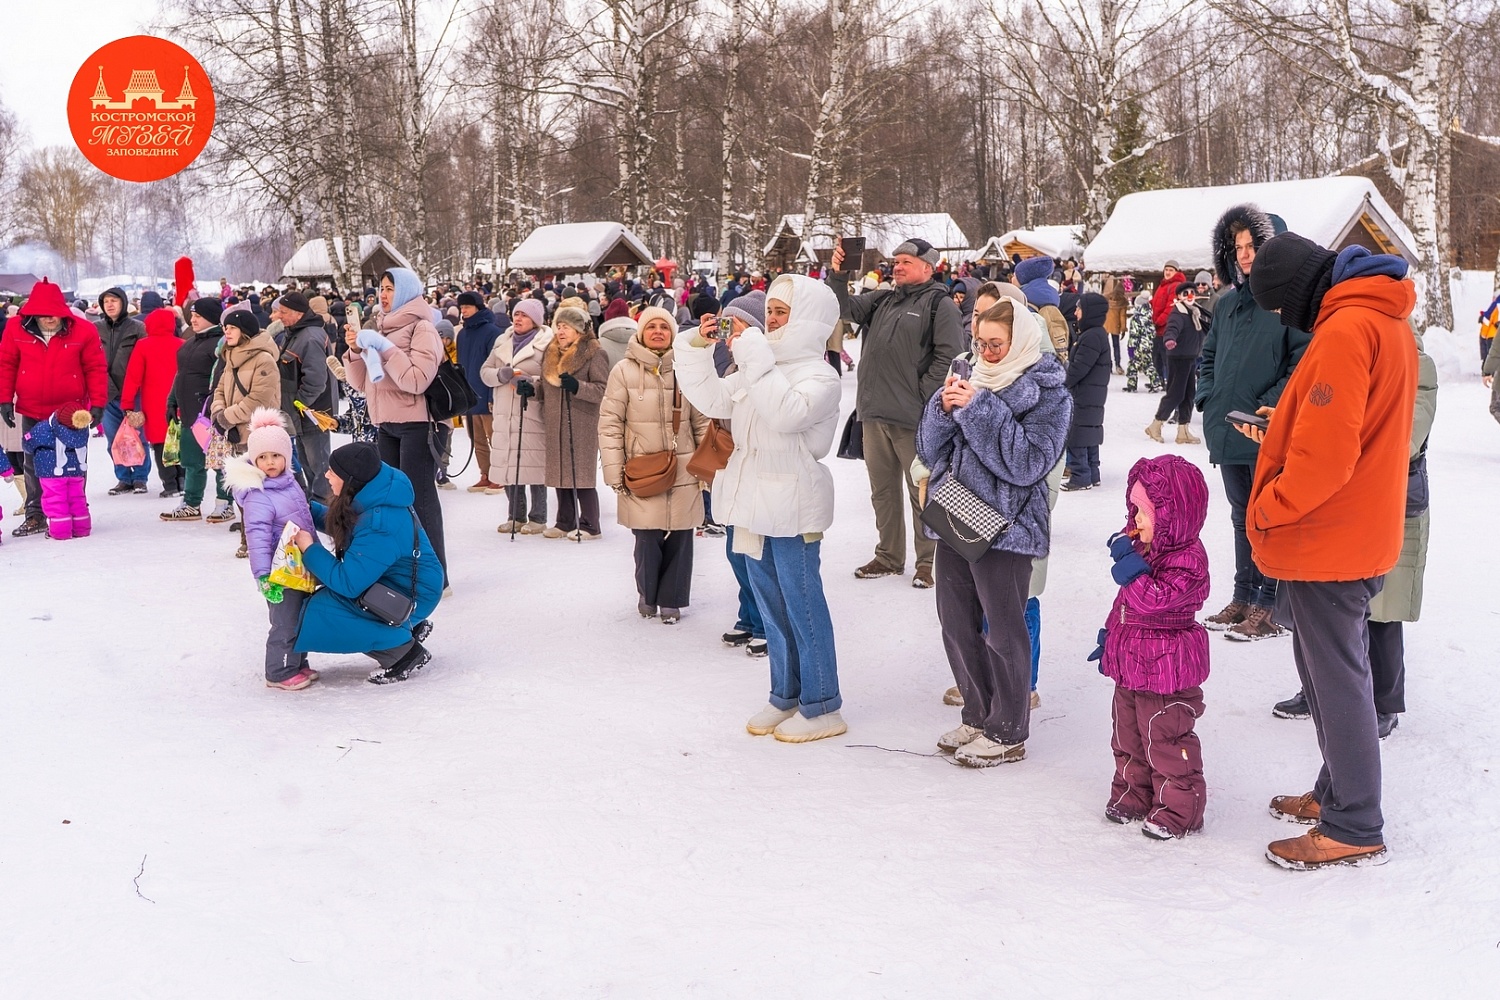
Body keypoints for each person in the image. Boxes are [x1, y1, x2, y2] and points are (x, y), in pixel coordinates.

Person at [1244, 234, 1417, 870]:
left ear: (1298, 293)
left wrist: (1263, 508)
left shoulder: (1347, 329)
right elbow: (1350, 427)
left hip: (1329, 536)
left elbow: (1325, 462)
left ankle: (1355, 821)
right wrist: (1283, 421)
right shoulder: (1381, 317)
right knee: (1326, 673)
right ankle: (1335, 794)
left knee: (1337, 680)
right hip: (1353, 530)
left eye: (1281, 311)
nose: (1286, 323)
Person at [676, 274, 846, 742]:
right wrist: (694, 346)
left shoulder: (819, 375)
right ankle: (784, 694)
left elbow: (787, 413)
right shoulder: (758, 367)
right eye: (768, 310)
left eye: (780, 312)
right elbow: (710, 398)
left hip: (793, 503)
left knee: (803, 602)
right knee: (770, 605)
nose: (770, 320)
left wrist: (752, 353)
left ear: (807, 319)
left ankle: (822, 703)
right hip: (750, 501)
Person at [916, 299, 1071, 767]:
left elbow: (1028, 464)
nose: (985, 352)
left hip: (1009, 527)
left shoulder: (1048, 393)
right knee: (956, 621)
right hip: (957, 514)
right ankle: (978, 713)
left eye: (995, 344)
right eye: (980, 342)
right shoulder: (968, 375)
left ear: (1020, 340)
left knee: (1003, 628)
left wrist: (979, 408)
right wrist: (940, 411)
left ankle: (1009, 729)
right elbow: (928, 450)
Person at [1273, 334, 1437, 737]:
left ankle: (1384, 703)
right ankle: (1322, 693)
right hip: (1339, 499)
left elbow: (1405, 437)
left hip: (1393, 502)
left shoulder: (1416, 363)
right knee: (1328, 609)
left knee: (1382, 612)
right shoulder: (1343, 358)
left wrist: (1336, 441)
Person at [1195, 204, 1309, 641]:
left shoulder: (1288, 306)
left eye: (1254, 246)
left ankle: (1269, 604)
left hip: (1266, 432)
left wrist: (1268, 408)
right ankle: (1244, 595)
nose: (1245, 255)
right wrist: (1208, 396)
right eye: (1238, 246)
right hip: (1227, 430)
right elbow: (1208, 358)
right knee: (1241, 517)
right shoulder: (1225, 305)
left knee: (1269, 520)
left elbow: (1303, 364)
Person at [827, 237, 964, 590]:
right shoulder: (884, 298)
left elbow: (949, 358)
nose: (897, 266)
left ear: (927, 268)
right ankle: (888, 556)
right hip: (873, 415)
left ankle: (927, 562)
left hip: (913, 419)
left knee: (922, 491)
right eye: (896, 261)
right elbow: (842, 308)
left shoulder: (939, 305)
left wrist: (920, 398)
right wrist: (839, 275)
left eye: (905, 261)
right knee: (882, 491)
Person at [1097, 455, 1211, 839]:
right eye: (1133, 509)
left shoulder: (1188, 561)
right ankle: (1133, 794)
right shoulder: (1145, 550)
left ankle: (1181, 809)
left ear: (1173, 515)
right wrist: (1110, 636)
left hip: (1166, 669)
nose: (1135, 519)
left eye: (1143, 511)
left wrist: (1129, 564)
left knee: (1165, 739)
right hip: (1132, 661)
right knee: (1127, 735)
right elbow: (1126, 605)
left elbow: (1153, 600)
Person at [291, 443, 444, 685]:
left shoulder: (380, 523)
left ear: (351, 479)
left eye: (334, 472)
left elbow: (348, 583)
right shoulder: (372, 492)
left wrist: (310, 548)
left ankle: (401, 651)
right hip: (401, 583)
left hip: (413, 594)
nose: (327, 475)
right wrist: (303, 510)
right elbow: (347, 526)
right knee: (332, 599)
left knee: (323, 609)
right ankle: (402, 628)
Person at [599, 306, 709, 622]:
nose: (658, 331)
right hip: (641, 468)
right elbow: (610, 423)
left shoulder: (687, 368)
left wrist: (707, 468)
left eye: (664, 326)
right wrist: (613, 468)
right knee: (646, 538)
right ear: (641, 333)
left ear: (672, 334)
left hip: (684, 467)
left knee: (681, 536)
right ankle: (648, 594)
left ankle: (672, 599)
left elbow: (701, 420)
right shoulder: (623, 371)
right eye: (652, 327)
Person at [342, 268, 447, 583]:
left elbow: (415, 380)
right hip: (386, 423)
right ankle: (405, 569)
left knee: (419, 499)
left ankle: (435, 575)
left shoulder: (422, 328)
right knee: (393, 501)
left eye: (390, 288)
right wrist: (355, 352)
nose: (384, 295)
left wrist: (385, 348)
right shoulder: (381, 328)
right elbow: (363, 384)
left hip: (418, 425)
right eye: (381, 288)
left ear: (406, 292)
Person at [0, 278, 108, 538]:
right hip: (32, 408)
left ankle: (74, 508)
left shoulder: (83, 330)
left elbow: (95, 368)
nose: (51, 319)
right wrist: (5, 399)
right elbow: (7, 364)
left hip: (70, 412)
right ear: (32, 313)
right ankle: (35, 513)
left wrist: (99, 403)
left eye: (56, 314)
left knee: (73, 461)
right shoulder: (16, 328)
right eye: (44, 315)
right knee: (33, 463)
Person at [225, 409, 317, 690]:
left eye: (276, 456)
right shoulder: (258, 495)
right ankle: (278, 671)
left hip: (299, 566)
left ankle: (297, 662)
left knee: (301, 615)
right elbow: (257, 536)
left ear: (287, 457)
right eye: (262, 457)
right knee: (285, 621)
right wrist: (263, 575)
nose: (270, 462)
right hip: (278, 571)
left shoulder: (290, 484)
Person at [539, 305, 610, 540]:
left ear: (579, 330)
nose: (560, 331)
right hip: (555, 420)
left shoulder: (594, 352)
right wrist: (532, 389)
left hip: (582, 422)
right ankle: (564, 520)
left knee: (581, 474)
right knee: (561, 471)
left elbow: (602, 389)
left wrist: (578, 387)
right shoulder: (550, 353)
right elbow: (546, 386)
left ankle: (590, 523)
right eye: (558, 326)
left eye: (566, 327)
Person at [481, 298, 552, 531]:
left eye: (524, 315)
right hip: (504, 412)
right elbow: (485, 371)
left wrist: (530, 382)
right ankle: (515, 515)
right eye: (516, 313)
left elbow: (552, 379)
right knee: (509, 463)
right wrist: (501, 375)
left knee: (534, 464)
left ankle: (538, 517)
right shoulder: (503, 340)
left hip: (530, 411)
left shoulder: (546, 344)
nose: (518, 318)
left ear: (535, 320)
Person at [164, 298, 235, 522]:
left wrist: (217, 405)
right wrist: (172, 400)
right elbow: (180, 375)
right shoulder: (189, 342)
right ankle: (191, 503)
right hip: (188, 413)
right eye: (191, 315)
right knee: (191, 461)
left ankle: (225, 503)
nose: (192, 319)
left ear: (212, 318)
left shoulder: (222, 343)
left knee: (220, 461)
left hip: (210, 414)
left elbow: (225, 377)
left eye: (198, 316)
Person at [275, 292, 334, 502]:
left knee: (320, 468)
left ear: (298, 313)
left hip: (312, 414)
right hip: (299, 413)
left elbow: (316, 381)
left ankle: (326, 513)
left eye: (284, 312)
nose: (279, 316)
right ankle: (315, 509)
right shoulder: (296, 333)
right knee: (309, 465)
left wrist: (299, 404)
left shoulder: (310, 337)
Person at [120, 309, 185, 499]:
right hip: (179, 401)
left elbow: (133, 377)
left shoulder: (143, 346)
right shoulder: (182, 344)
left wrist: (127, 403)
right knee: (179, 441)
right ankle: (183, 480)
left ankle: (170, 484)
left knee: (160, 444)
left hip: (155, 404)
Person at [94, 286, 151, 493]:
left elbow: (145, 359)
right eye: (106, 301)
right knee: (114, 440)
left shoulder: (138, 328)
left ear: (123, 303)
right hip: (106, 393)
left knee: (137, 437)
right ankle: (123, 477)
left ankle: (140, 477)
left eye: (114, 300)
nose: (109, 304)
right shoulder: (96, 328)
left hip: (133, 392)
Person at [455, 290, 508, 492]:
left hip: (487, 393)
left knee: (495, 437)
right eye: (461, 307)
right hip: (470, 395)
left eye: (467, 307)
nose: (464, 311)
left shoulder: (493, 332)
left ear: (478, 307)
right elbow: (460, 365)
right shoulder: (462, 333)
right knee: (477, 439)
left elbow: (495, 366)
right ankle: (485, 473)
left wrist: (491, 395)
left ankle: (500, 475)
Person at [1061, 291, 1111, 491]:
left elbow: (1078, 369)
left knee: (1078, 433)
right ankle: (1093, 473)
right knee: (1089, 432)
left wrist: (1062, 376)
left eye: (1079, 308)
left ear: (1089, 312)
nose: (1076, 311)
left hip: (1083, 393)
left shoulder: (1091, 337)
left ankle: (1081, 475)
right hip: (1091, 393)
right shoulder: (1097, 334)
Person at [1145, 283, 1206, 445]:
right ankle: (1156, 425)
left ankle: (1183, 430)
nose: (1190, 295)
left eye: (1192, 292)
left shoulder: (1194, 312)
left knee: (1189, 395)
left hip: (1190, 358)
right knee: (1175, 393)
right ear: (1179, 296)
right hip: (1178, 358)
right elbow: (1171, 328)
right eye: (1186, 293)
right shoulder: (1178, 313)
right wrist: (1170, 339)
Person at [22, 403, 94, 539]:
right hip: (76, 470)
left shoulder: (44, 428)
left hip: (51, 472)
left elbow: (27, 443)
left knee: (55, 500)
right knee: (77, 498)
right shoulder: (81, 430)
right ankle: (82, 528)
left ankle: (61, 531)